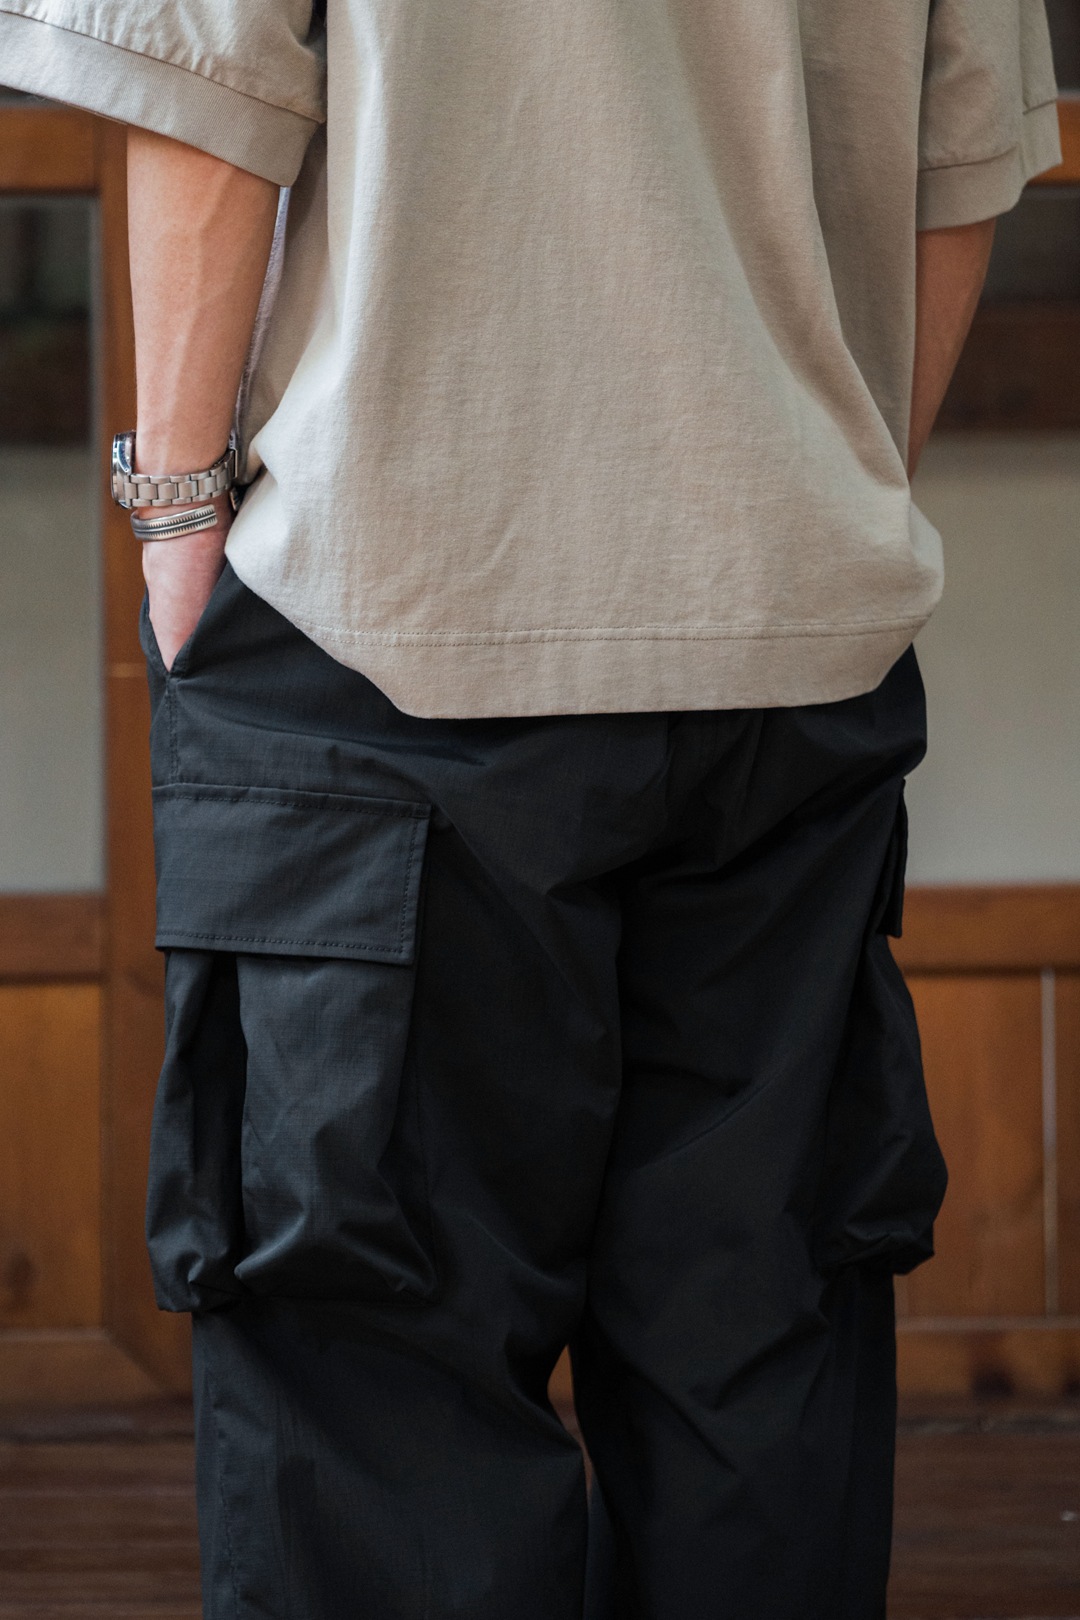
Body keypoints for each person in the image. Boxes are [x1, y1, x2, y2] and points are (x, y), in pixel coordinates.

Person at [0, 1, 1061, 1614]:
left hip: (390, 624)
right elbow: (962, 154)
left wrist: (175, 517)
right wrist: (815, 495)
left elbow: (201, 94)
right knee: (752, 1377)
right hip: (776, 648)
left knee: (377, 1414)